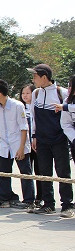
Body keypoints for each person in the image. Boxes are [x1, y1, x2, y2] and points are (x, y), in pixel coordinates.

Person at [28, 64, 73, 215]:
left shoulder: (62, 93)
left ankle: (67, 205)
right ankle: (48, 203)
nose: (33, 80)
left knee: (63, 172)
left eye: (35, 76)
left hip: (59, 139)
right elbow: (34, 117)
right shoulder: (35, 94)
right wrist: (34, 136)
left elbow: (68, 116)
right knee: (44, 172)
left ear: (44, 77)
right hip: (42, 140)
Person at [0, 79, 34, 210]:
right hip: (4, 146)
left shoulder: (17, 105)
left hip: (18, 145)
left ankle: (29, 200)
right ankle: (4, 199)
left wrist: (21, 148)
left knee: (24, 173)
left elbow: (24, 128)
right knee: (3, 173)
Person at [20, 84, 41, 206]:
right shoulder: (20, 107)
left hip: (37, 143)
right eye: (23, 93)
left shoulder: (37, 107)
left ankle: (40, 196)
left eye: (28, 93)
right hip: (25, 144)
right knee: (26, 172)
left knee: (40, 172)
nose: (25, 96)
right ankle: (28, 198)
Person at [57, 75, 75, 218]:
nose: (69, 89)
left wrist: (65, 107)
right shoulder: (68, 101)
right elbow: (66, 124)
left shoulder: (67, 105)